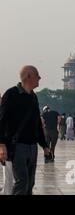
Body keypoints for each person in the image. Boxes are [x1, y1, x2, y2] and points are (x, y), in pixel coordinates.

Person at [0, 66, 50, 195]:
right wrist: (1, 145)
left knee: (30, 183)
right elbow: (1, 121)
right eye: (37, 75)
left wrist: (44, 145)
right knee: (22, 182)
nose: (40, 78)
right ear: (28, 76)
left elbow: (37, 123)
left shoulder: (33, 97)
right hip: (18, 147)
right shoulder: (11, 95)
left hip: (32, 147)